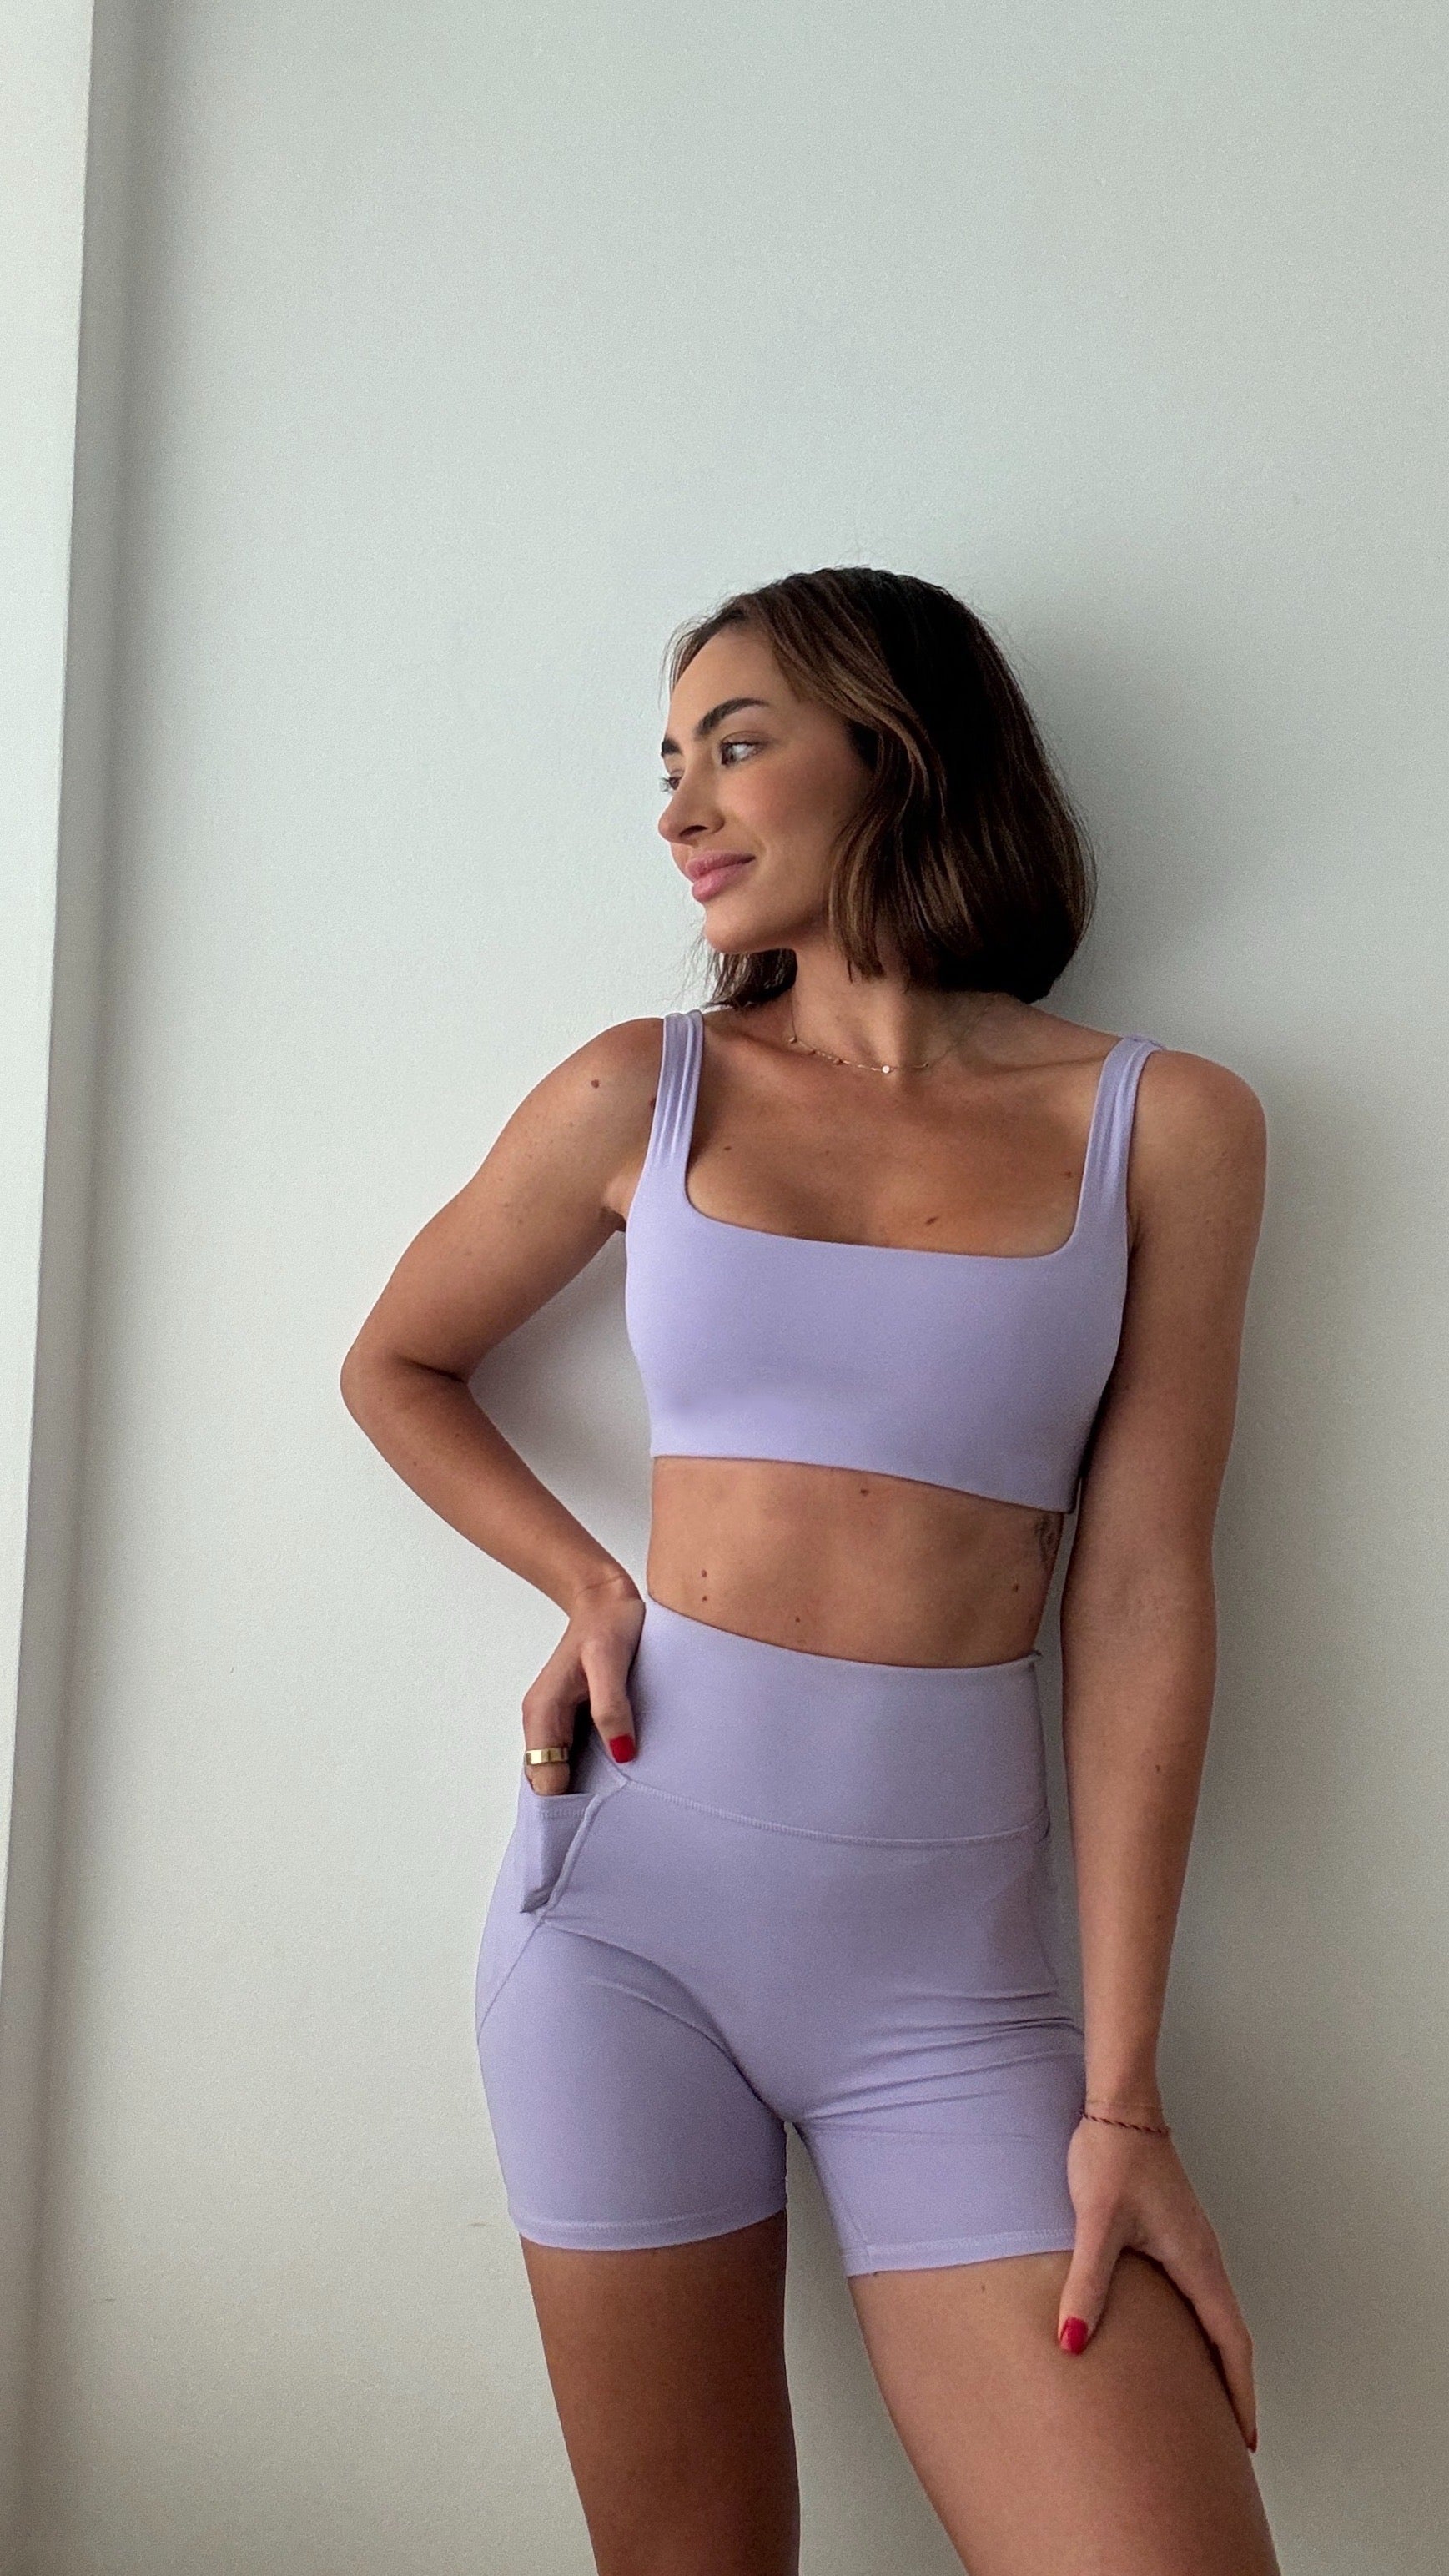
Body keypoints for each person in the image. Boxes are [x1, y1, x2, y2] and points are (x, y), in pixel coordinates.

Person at [340, 566, 1280, 2575]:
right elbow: (395, 1362)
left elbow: (1137, 1595)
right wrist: (587, 1584)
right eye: (667, 761)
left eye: (736, 743)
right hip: (619, 1928)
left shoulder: (1163, 1124)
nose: (679, 805)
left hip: (953, 1991)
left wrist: (1119, 2095)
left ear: (897, 750)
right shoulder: (642, 1084)